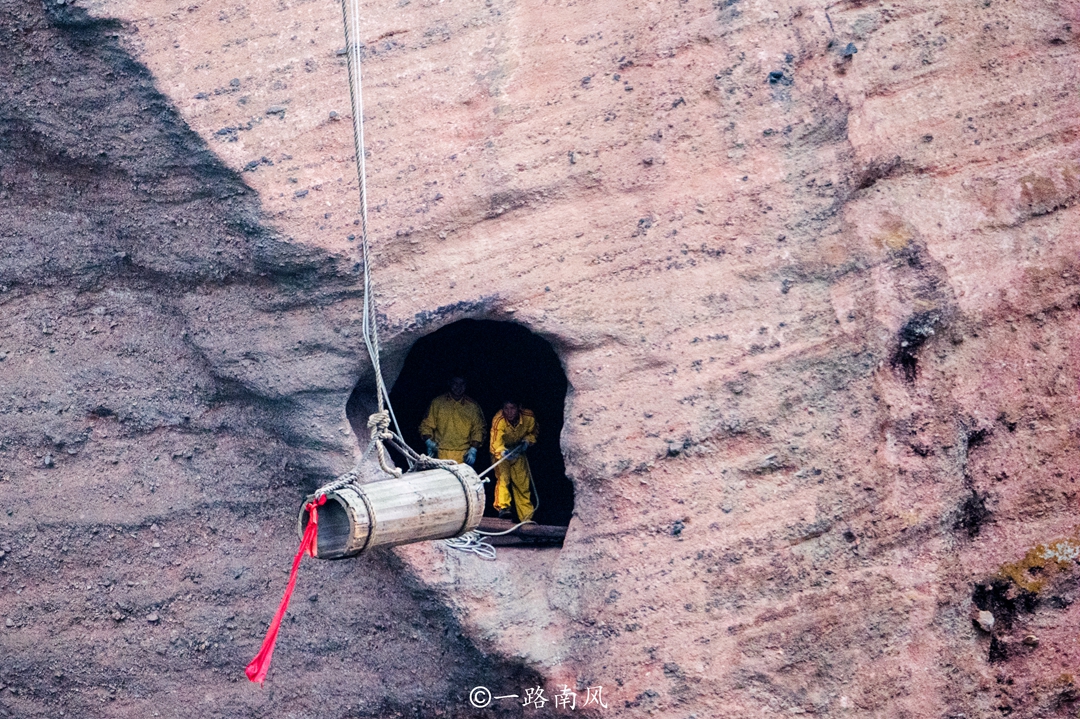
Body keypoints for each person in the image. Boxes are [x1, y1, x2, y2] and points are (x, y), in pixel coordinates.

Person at [489, 400, 538, 522]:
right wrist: (503, 452)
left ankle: (526, 517)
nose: (509, 412)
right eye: (506, 408)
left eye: (512, 408)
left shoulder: (528, 416)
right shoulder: (498, 419)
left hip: (518, 450)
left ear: (519, 408)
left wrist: (527, 441)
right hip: (502, 453)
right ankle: (503, 508)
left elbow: (534, 431)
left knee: (522, 484)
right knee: (503, 479)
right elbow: (495, 443)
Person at [419, 376, 485, 465]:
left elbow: (478, 429)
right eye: (455, 383)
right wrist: (428, 442)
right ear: (449, 383)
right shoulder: (437, 403)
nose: (458, 387)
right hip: (440, 453)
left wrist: (473, 449)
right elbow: (426, 425)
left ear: (466, 385)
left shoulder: (473, 406)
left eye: (462, 384)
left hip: (464, 455)